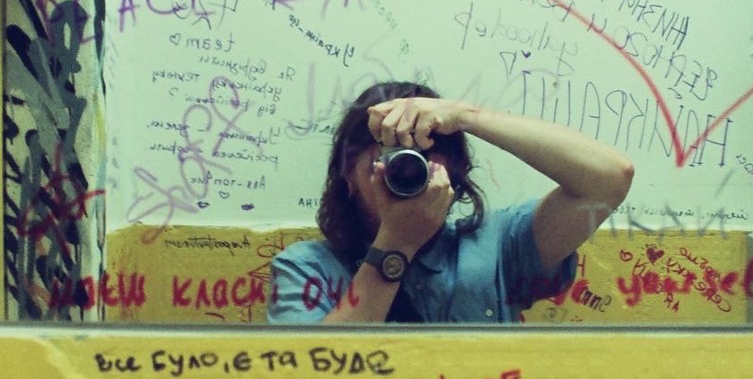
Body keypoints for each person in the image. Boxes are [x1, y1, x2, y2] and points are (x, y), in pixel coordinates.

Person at [267, 81, 634, 324]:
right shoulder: (306, 269)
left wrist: (465, 115)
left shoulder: (497, 243)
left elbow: (609, 178)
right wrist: (396, 246)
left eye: (422, 157)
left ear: (454, 171)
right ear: (348, 175)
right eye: (390, 158)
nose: (407, 172)